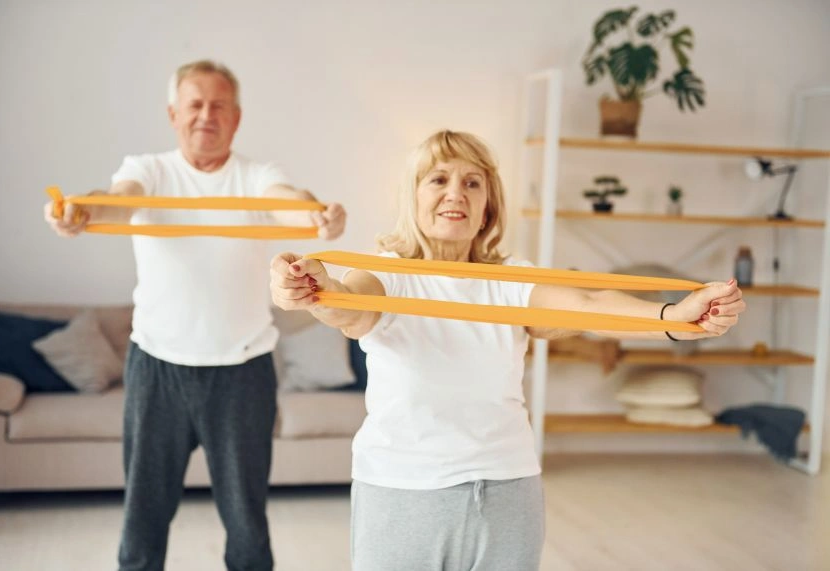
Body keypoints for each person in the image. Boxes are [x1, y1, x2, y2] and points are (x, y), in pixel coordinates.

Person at [269, 130, 745, 571]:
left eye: (472, 183)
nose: (455, 193)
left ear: (488, 207)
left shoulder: (512, 279)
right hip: (402, 491)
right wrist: (314, 290)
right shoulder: (384, 274)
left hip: (507, 490)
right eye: (438, 179)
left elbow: (588, 304)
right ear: (412, 196)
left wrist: (674, 319)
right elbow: (347, 307)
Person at [45, 60, 347, 571]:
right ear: (174, 114)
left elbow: (290, 203)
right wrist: (82, 212)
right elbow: (116, 202)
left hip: (243, 372)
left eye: (219, 106)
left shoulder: (256, 175)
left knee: (247, 525)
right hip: (156, 370)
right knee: (143, 521)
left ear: (236, 118)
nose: (207, 115)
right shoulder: (149, 170)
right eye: (196, 104)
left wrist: (318, 216)